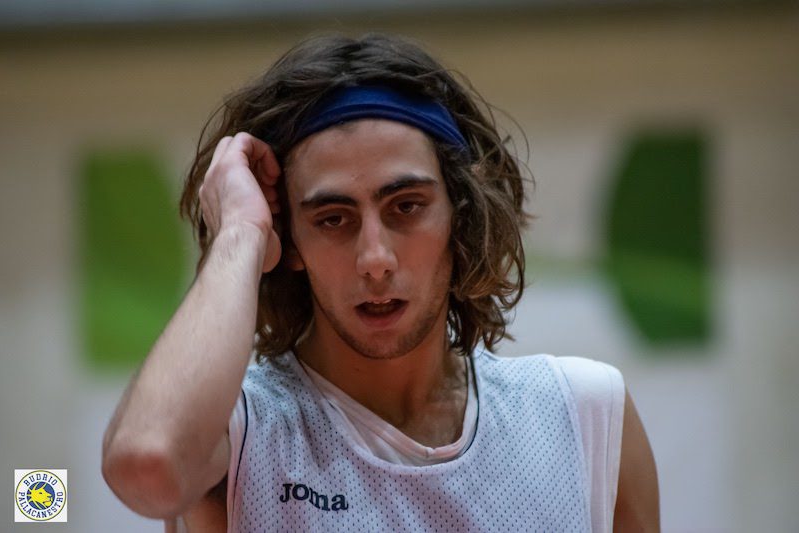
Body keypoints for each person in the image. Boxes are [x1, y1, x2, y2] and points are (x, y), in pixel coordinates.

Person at [101, 33, 659, 532]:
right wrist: (239, 233)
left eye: (406, 206)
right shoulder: (239, 430)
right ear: (289, 240)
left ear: (461, 214)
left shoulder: (584, 414)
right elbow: (147, 465)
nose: (374, 259)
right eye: (332, 219)